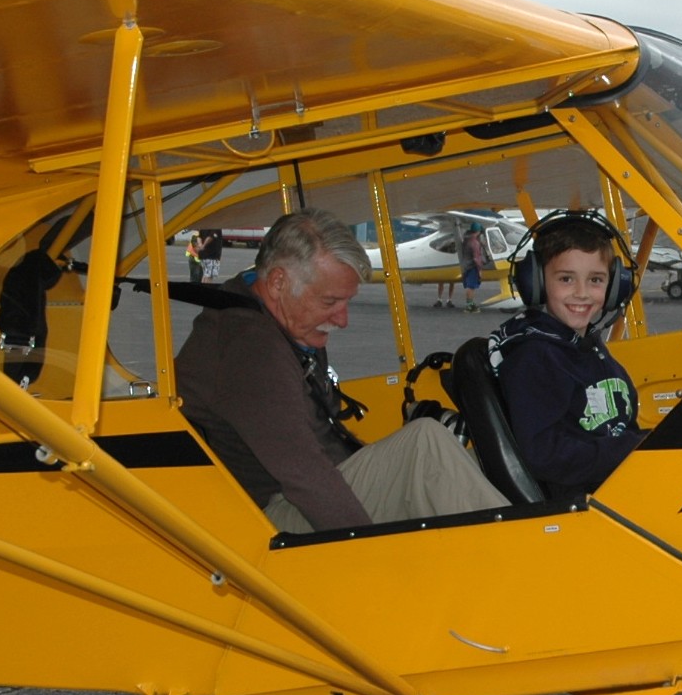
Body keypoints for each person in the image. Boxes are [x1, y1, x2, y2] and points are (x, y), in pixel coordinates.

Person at [176, 208, 508, 533]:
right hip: (268, 517)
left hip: (300, 494)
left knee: (466, 461)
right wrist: (364, 553)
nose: (342, 319)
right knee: (425, 447)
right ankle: (524, 561)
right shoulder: (251, 348)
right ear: (278, 282)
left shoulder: (268, 319)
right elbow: (304, 475)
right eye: (330, 302)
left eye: (346, 303)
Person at [490, 213, 642, 499]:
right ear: (535, 282)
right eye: (566, 279)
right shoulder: (534, 358)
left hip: (616, 488)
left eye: (596, 280)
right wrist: (633, 449)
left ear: (613, 288)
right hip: (578, 507)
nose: (582, 293)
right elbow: (544, 454)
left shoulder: (591, 351)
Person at [459, 224, 486, 313]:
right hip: (472, 266)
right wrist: (480, 270)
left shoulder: (467, 240)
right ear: (478, 231)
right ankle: (469, 306)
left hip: (467, 265)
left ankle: (470, 304)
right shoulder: (474, 242)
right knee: (471, 287)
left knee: (471, 286)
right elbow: (476, 258)